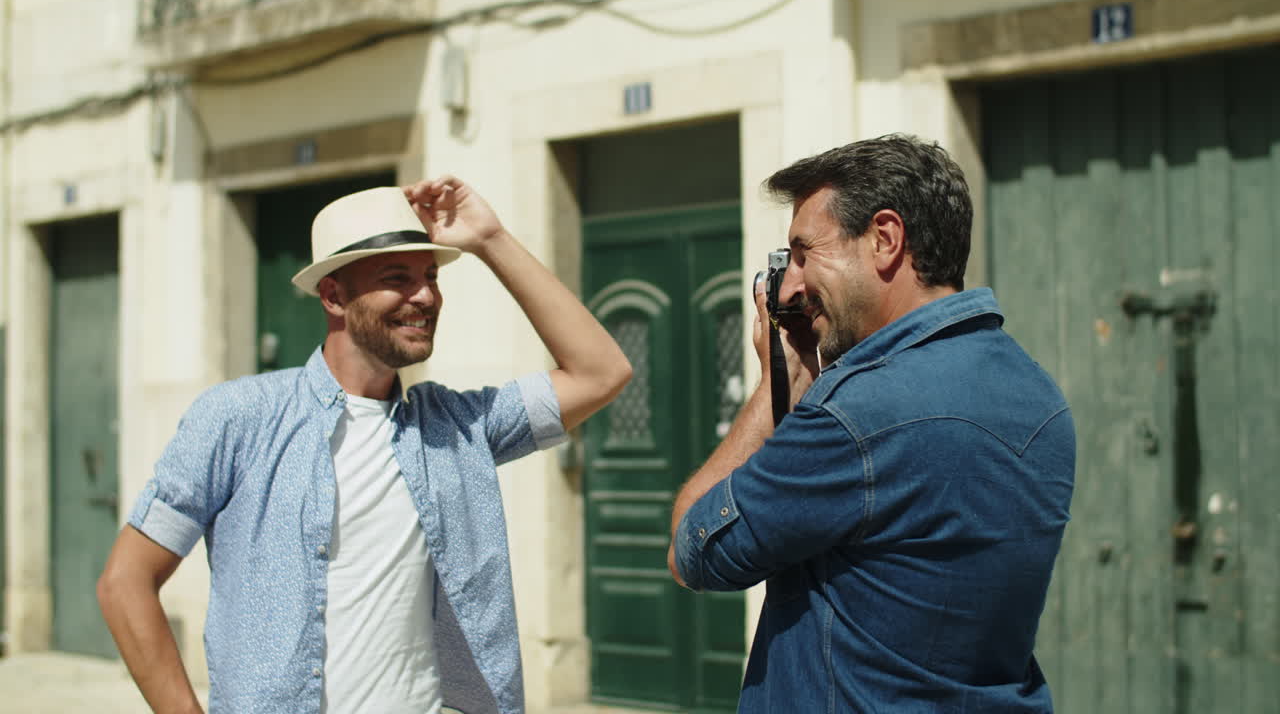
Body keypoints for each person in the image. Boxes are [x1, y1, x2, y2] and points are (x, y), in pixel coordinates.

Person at [97, 178, 631, 714]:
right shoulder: (239, 419)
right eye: (396, 278)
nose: (424, 295)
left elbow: (601, 371)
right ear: (333, 295)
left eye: (429, 276)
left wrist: (490, 238)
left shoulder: (457, 427)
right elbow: (126, 583)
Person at [667, 134, 1075, 712]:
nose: (790, 286)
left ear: (885, 239)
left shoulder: (856, 417)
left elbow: (693, 551)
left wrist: (779, 383)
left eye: (805, 253)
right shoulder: (1038, 394)